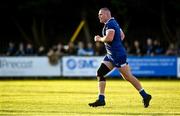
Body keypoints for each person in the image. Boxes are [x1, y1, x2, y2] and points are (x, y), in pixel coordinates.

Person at [88, 7, 152, 108]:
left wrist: (100, 39)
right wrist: (115, 45)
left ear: (106, 14)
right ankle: (101, 99)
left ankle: (145, 95)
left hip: (118, 56)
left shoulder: (111, 24)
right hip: (111, 55)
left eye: (100, 14)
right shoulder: (113, 23)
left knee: (128, 77)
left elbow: (109, 38)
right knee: (100, 73)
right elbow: (122, 35)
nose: (98, 16)